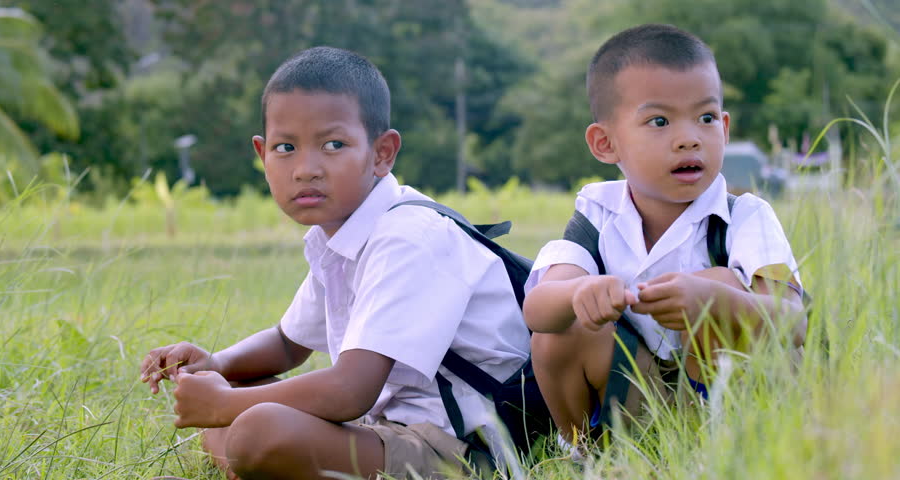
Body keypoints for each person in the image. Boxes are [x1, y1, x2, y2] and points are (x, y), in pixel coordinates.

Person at [139, 46, 530, 480]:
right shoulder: (339, 238)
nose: (306, 169)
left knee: (255, 428)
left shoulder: (408, 237)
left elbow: (350, 391)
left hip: (466, 452)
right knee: (244, 398)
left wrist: (223, 405)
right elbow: (288, 343)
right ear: (262, 153)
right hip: (386, 431)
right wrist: (216, 366)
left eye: (333, 145)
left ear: (382, 152)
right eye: (285, 148)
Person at [522, 24, 807, 450]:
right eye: (659, 121)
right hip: (639, 397)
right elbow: (538, 311)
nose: (690, 138)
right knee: (563, 327)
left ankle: (728, 449)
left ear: (724, 129)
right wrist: (582, 292)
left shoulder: (745, 216)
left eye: (706, 118)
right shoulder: (597, 216)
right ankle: (588, 451)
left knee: (723, 284)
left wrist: (716, 301)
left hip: (730, 401)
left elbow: (793, 321)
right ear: (605, 143)